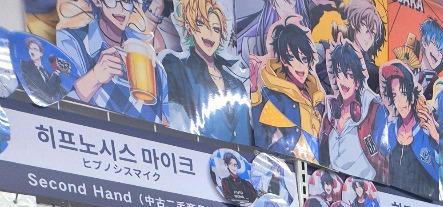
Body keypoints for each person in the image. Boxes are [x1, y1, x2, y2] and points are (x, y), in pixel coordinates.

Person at [58, 0, 170, 123]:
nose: (121, 8)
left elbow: (169, 123)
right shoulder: (71, 41)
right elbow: (55, 105)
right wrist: (94, 77)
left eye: (126, 1)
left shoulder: (146, 56)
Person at [162, 0, 250, 141]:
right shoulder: (177, 69)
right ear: (189, 26)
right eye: (201, 23)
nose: (210, 33)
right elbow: (172, 120)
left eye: (216, 29)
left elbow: (245, 134)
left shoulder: (236, 83)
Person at [251, 21, 324, 161]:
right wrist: (254, 91)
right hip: (290, 166)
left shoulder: (316, 97)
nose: (300, 66)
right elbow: (262, 138)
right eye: (292, 58)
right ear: (283, 61)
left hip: (317, 170)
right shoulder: (275, 97)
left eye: (304, 59)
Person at [321, 39, 385, 179]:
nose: (343, 80)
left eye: (349, 75)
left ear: (357, 81)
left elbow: (385, 162)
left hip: (366, 187)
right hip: (333, 187)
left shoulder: (373, 111)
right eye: (339, 72)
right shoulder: (330, 113)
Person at [376, 60, 438, 201]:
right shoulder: (390, 130)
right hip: (393, 205)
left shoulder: (425, 130)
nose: (399, 101)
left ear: (411, 96)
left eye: (403, 93)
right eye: (394, 95)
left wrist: (436, 137)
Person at [393, 14, 443, 99]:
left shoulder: (440, 84)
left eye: (441, 52)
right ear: (424, 42)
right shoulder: (409, 70)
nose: (438, 54)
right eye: (436, 46)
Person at [18, 35, 65, 101]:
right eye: (30, 48)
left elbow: (60, 89)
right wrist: (56, 73)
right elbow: (46, 92)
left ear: (41, 53)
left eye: (35, 49)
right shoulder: (25, 64)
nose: (31, 51)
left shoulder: (47, 73)